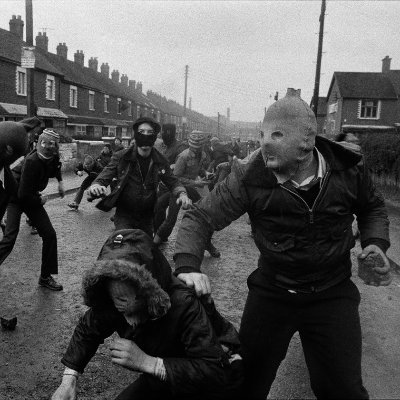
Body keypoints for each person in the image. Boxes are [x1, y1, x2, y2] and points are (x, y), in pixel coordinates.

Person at [173, 88, 391, 399]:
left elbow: (372, 206)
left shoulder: (348, 169)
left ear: (306, 141)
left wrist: (376, 244)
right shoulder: (250, 177)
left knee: (343, 390)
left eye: (276, 134)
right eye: (262, 134)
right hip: (274, 291)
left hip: (332, 292)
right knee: (244, 383)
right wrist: (187, 265)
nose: (263, 142)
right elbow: (200, 217)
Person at [51, 229, 243, 400]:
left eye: (134, 310)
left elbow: (214, 372)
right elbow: (88, 329)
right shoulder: (109, 296)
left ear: (150, 293)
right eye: (121, 309)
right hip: (166, 372)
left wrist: (147, 362)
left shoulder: (183, 303)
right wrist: (69, 380)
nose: (129, 322)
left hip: (214, 380)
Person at [88, 117, 190, 237]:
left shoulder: (160, 160)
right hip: (124, 214)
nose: (145, 136)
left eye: (150, 133)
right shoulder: (122, 157)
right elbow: (104, 175)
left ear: (155, 137)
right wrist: (96, 185)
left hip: (147, 216)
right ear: (136, 135)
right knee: (123, 248)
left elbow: (173, 181)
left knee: (144, 250)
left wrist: (182, 194)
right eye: (141, 132)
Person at [0, 128, 65, 291]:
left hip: (30, 196)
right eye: (44, 143)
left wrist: (60, 182)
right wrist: (40, 200)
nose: (47, 147)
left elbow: (56, 167)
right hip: (16, 197)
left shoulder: (53, 157)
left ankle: (45, 277)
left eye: (52, 144)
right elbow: (22, 195)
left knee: (49, 235)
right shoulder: (32, 161)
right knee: (9, 238)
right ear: (38, 143)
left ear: (56, 147)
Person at [153, 131, 220, 258]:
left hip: (189, 188)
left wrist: (206, 173)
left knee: (207, 213)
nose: (197, 149)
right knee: (171, 220)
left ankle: (207, 243)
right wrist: (196, 183)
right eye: (195, 146)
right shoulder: (183, 157)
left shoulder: (203, 155)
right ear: (190, 144)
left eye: (199, 146)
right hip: (177, 189)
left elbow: (198, 168)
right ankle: (153, 246)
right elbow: (175, 178)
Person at [153, 123, 188, 235]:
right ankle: (159, 234)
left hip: (174, 186)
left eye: (165, 132)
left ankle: (159, 237)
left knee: (170, 216)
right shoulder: (164, 146)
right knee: (158, 210)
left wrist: (172, 166)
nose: (162, 134)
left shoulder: (180, 147)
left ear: (170, 132)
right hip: (163, 185)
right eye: (162, 132)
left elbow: (181, 165)